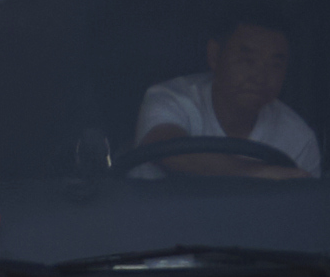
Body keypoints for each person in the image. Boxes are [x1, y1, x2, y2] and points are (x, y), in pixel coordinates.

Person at [133, 15, 320, 177]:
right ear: (214, 56)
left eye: (275, 65)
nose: (260, 77)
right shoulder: (170, 100)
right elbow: (168, 151)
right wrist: (260, 173)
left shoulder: (299, 139)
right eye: (248, 60)